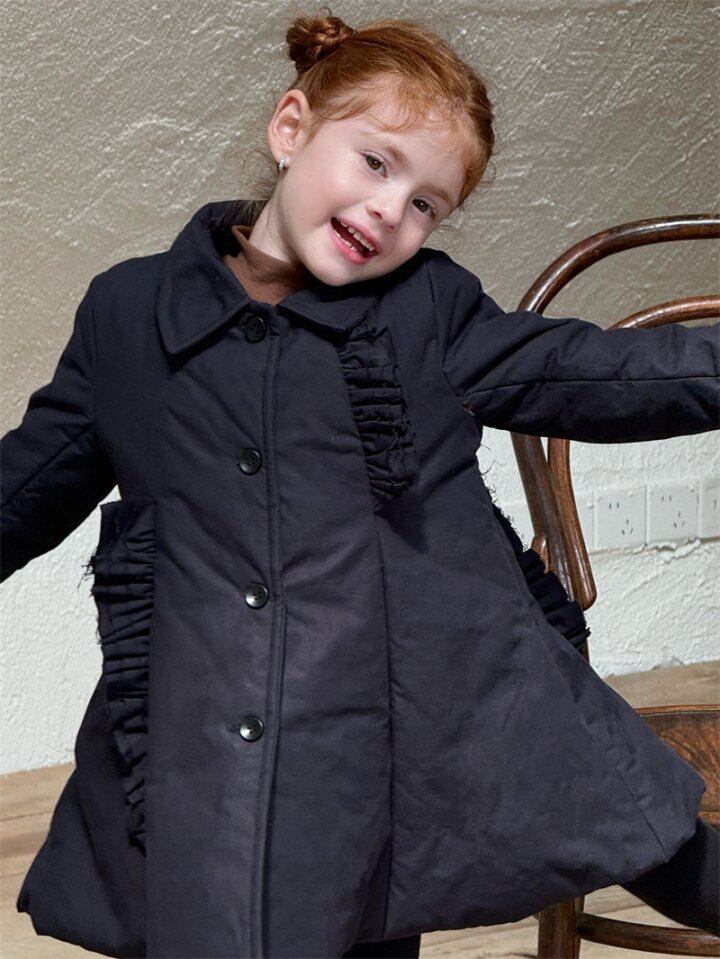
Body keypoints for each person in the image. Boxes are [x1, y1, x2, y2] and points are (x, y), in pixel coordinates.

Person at [1, 8, 718, 959]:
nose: (391, 210)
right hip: (207, 732)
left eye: (427, 204)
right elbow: (28, 483)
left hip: (395, 723)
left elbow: (604, 374)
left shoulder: (430, 309)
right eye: (376, 163)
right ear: (291, 128)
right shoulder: (129, 312)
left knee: (641, 843)